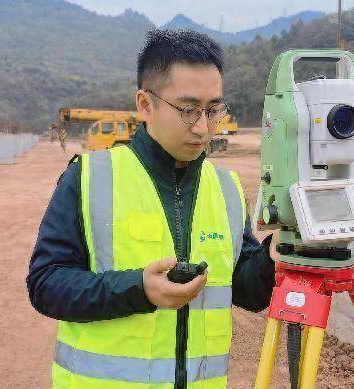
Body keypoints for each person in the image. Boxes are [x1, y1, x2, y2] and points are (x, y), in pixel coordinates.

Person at [27, 29, 276, 389]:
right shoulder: (89, 178)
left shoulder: (227, 189)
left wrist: (274, 256)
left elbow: (247, 290)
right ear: (145, 104)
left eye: (213, 109)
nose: (204, 127)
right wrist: (137, 289)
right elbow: (46, 284)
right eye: (189, 110)